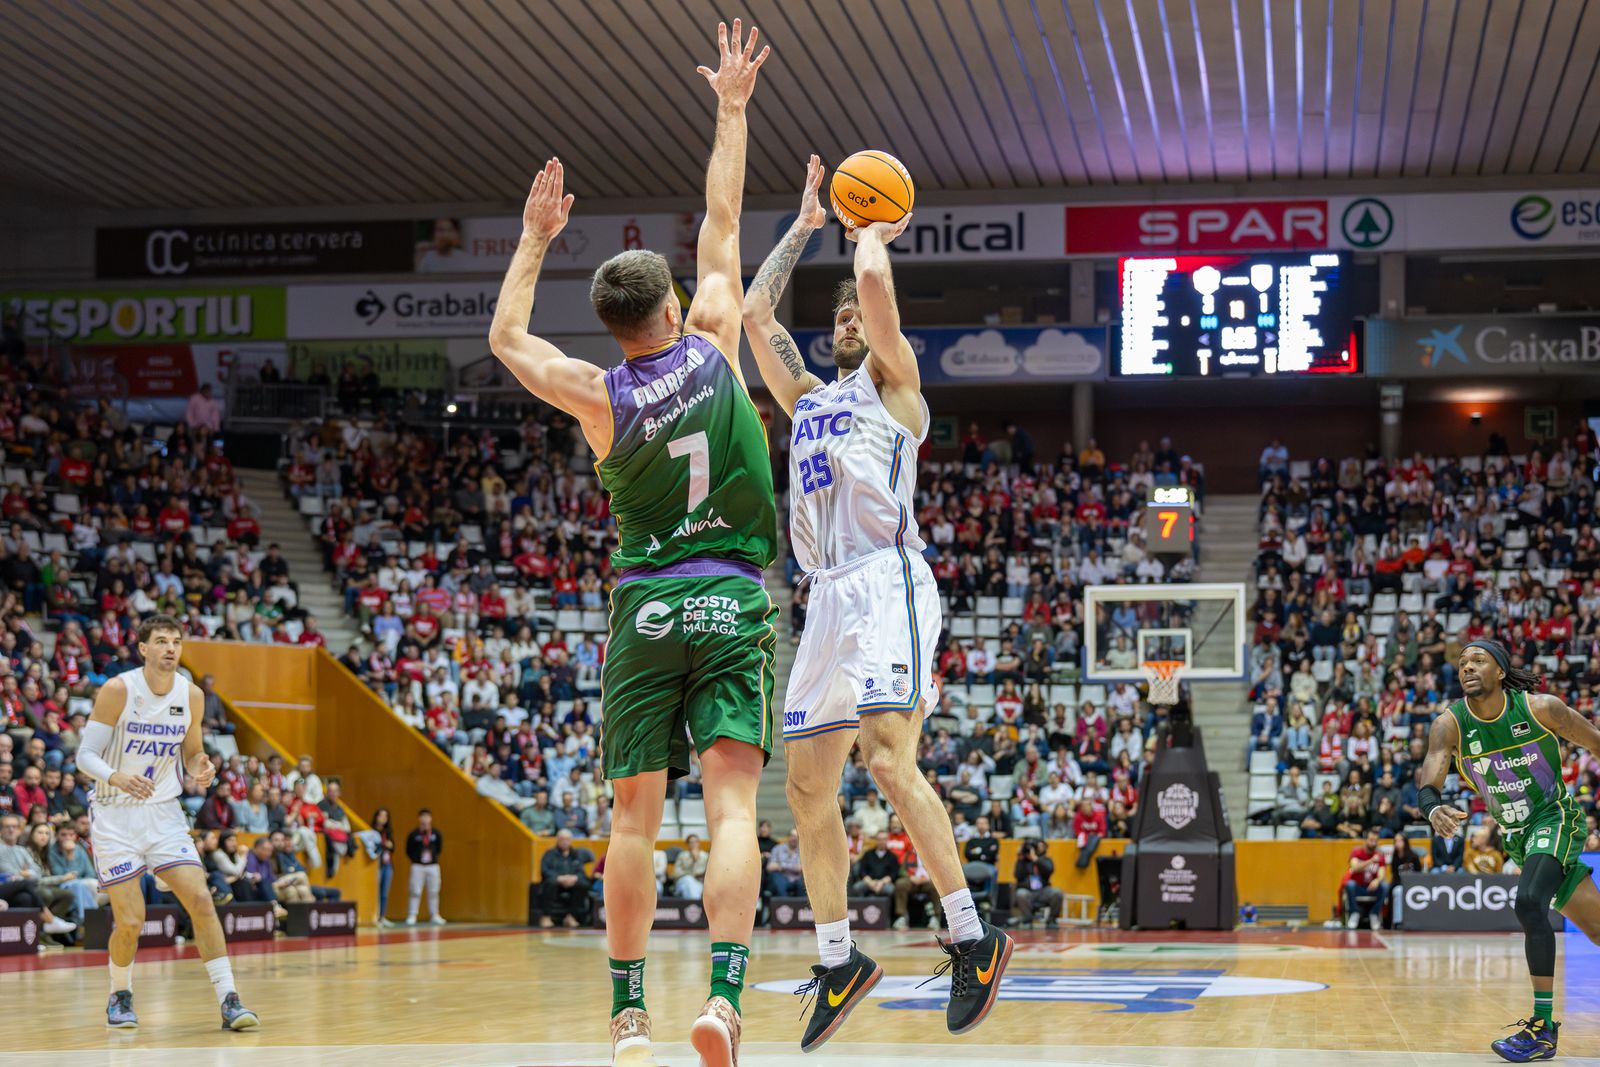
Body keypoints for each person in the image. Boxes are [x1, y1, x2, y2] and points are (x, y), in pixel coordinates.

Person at [488, 22, 774, 1067]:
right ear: (671, 305)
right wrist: (731, 107)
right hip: (731, 595)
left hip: (644, 605)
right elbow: (723, 215)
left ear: (611, 325)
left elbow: (508, 342)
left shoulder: (597, 395)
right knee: (734, 804)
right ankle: (726, 999)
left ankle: (624, 1018)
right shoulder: (713, 333)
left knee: (633, 821)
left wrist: (532, 238)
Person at [742, 156, 1011, 1053]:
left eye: (858, 312)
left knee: (891, 760)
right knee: (807, 785)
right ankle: (837, 956)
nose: (850, 317)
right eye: (841, 318)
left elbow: (874, 290)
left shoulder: (896, 389)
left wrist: (869, 236)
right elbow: (753, 314)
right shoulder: (809, 398)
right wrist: (807, 222)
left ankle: (974, 937)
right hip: (821, 597)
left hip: (887, 578)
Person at [70, 614, 259, 1029]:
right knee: (132, 921)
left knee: (202, 901)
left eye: (176, 641)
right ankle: (120, 993)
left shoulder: (190, 695)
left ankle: (229, 998)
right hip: (114, 814)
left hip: (163, 813)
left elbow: (191, 752)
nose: (171, 648)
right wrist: (117, 776)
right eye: (161, 641)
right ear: (143, 648)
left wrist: (200, 766)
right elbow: (85, 755)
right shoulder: (119, 689)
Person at [1418, 639, 1600, 1061]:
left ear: (1500, 671)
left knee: (1529, 902)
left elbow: (1595, 742)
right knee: (1595, 928)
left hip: (1554, 818)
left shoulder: (1541, 709)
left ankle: (1542, 1028)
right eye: (1462, 662)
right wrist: (1432, 810)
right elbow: (1430, 777)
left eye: (1478, 660)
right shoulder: (1450, 724)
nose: (1467, 667)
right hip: (1516, 836)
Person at [539, 829, 594, 927]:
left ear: (571, 840)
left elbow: (581, 872)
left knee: (583, 884)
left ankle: (571, 917)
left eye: (568, 839)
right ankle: (546, 917)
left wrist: (575, 878)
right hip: (556, 882)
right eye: (562, 839)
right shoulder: (550, 854)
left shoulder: (576, 854)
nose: (565, 842)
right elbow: (544, 871)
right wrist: (559, 878)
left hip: (572, 882)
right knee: (550, 883)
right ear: (557, 840)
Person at [1342, 826, 1389, 930]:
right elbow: (1354, 868)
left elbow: (1382, 873)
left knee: (1385, 886)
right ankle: (1354, 913)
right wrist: (1371, 861)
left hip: (1372, 888)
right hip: (1359, 887)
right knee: (1350, 885)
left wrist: (1377, 880)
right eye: (1371, 840)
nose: (1373, 842)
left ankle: (1374, 914)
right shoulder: (1357, 852)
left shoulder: (1379, 855)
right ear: (1366, 840)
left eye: (1375, 840)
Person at [404, 809, 445, 925]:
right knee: (415, 891)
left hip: (433, 866)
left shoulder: (436, 834)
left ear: (431, 819)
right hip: (417, 866)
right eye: (423, 817)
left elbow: (439, 848)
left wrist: (432, 858)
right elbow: (408, 850)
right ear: (419, 819)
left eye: (427, 817)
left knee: (434, 891)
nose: (425, 819)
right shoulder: (414, 834)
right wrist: (416, 859)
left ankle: (434, 914)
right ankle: (412, 915)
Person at [1012, 839, 1062, 928]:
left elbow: (1049, 870)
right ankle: (1028, 919)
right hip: (1028, 891)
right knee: (1021, 893)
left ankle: (1052, 919)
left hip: (1043, 890)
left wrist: (1035, 859)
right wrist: (1020, 858)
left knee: (1057, 893)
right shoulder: (1022, 861)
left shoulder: (1045, 859)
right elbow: (1017, 876)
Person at [371, 807, 396, 928]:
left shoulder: (388, 832)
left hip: (387, 865)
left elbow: (393, 847)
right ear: (376, 817)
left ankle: (382, 916)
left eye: (385, 816)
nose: (383, 818)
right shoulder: (372, 831)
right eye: (381, 815)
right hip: (377, 865)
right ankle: (375, 916)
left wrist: (390, 845)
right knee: (375, 891)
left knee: (384, 892)